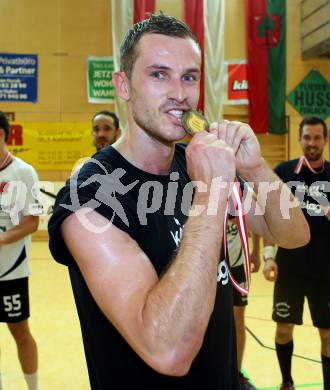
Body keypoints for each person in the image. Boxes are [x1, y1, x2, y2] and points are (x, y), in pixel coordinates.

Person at [48, 14, 309, 389]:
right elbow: (168, 351)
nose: (180, 93)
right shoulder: (89, 197)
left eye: (188, 76)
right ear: (123, 85)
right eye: (159, 74)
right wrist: (211, 194)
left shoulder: (199, 161)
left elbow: (293, 234)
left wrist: (255, 169)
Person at [262, 116, 330, 390]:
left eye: (317, 137)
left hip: (325, 271)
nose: (311, 143)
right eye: (307, 137)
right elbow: (267, 216)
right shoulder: (284, 172)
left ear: (325, 140)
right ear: (300, 139)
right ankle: (287, 381)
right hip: (289, 267)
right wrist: (268, 256)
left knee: (327, 335)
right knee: (283, 329)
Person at [0, 112, 42, 390]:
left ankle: (33, 388)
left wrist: (1, 240)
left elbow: (32, 222)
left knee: (20, 332)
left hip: (11, 270)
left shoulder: (23, 172)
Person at [228, 222, 260, 390]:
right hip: (210, 263)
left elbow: (255, 220)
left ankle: (237, 375)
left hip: (237, 265)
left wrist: (257, 251)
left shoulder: (240, 195)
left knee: (238, 321)